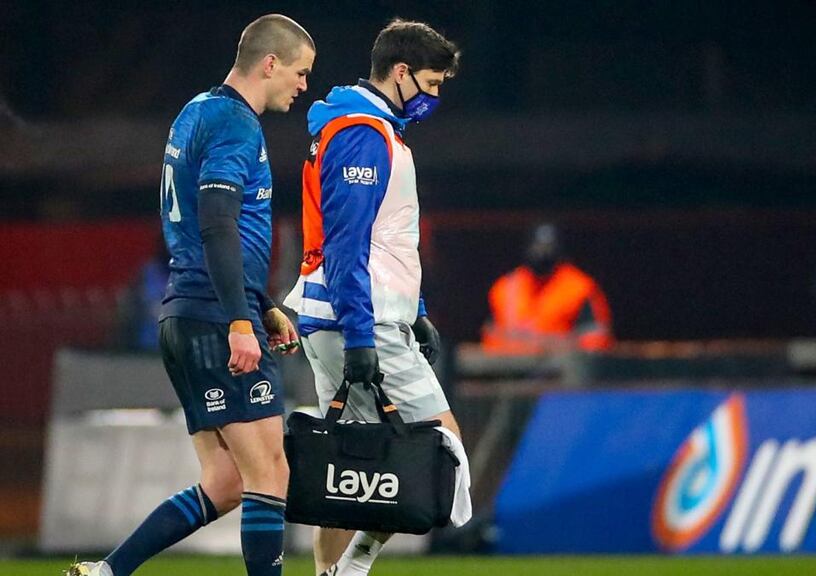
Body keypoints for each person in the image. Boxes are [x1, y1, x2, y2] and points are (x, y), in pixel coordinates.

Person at [68, 15, 314, 576]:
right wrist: (240, 320)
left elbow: (206, 229)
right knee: (270, 473)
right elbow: (218, 223)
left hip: (188, 313)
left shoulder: (196, 111)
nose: (304, 85)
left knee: (226, 483)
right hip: (213, 318)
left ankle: (106, 572)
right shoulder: (236, 123)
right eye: (300, 72)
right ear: (269, 63)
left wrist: (261, 305)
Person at [282, 18, 461, 576]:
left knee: (346, 463)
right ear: (401, 72)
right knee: (439, 448)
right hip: (361, 322)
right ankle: (352, 570)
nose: (434, 98)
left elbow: (385, 237)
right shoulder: (363, 133)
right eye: (430, 84)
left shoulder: (370, 128)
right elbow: (347, 244)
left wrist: (418, 311)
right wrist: (362, 336)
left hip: (347, 317)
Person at [482, 223, 613, 354]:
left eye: (548, 248)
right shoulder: (506, 287)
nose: (542, 253)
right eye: (537, 247)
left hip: (563, 364)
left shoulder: (579, 288)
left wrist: (551, 344)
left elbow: (597, 339)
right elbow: (489, 337)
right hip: (513, 363)